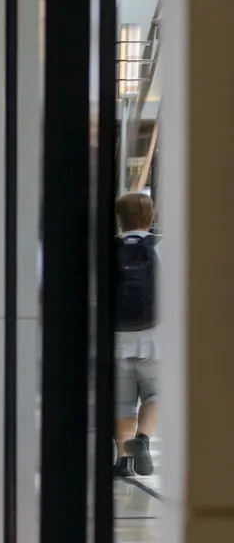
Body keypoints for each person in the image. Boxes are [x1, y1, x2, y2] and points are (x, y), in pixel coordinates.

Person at [113, 192, 160, 477]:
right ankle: (142, 439)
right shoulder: (165, 248)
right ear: (151, 217)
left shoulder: (108, 250)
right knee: (157, 394)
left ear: (120, 219)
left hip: (116, 339)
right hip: (157, 340)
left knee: (122, 402)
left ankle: (123, 460)